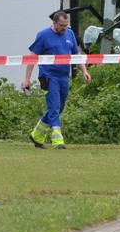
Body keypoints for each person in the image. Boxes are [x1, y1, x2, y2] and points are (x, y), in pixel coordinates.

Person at [20, 10, 91, 149]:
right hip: (49, 76)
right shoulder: (43, 36)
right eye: (62, 25)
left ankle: (36, 135)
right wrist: (27, 78)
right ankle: (58, 140)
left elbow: (76, 55)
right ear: (54, 23)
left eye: (66, 25)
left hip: (64, 76)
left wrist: (84, 71)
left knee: (59, 108)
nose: (64, 28)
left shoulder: (70, 34)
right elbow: (32, 57)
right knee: (54, 107)